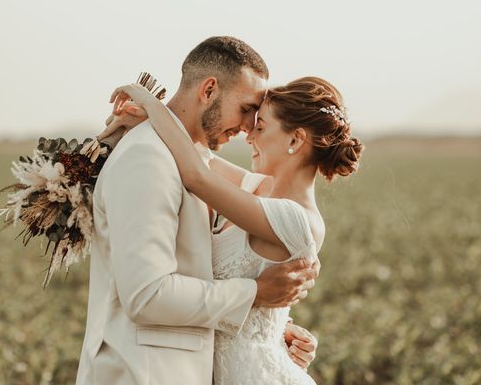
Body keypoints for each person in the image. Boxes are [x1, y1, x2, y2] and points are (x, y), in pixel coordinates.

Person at [76, 37, 319, 385]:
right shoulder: (147, 159)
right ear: (208, 90)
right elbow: (147, 295)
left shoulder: (186, 159)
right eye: (248, 108)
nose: (249, 126)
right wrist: (254, 294)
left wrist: (273, 332)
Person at [110, 74, 363, 384]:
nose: (249, 136)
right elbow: (201, 158)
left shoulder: (294, 218)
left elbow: (197, 175)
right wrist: (148, 126)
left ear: (295, 140)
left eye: (260, 127)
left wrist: (152, 105)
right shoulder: (261, 192)